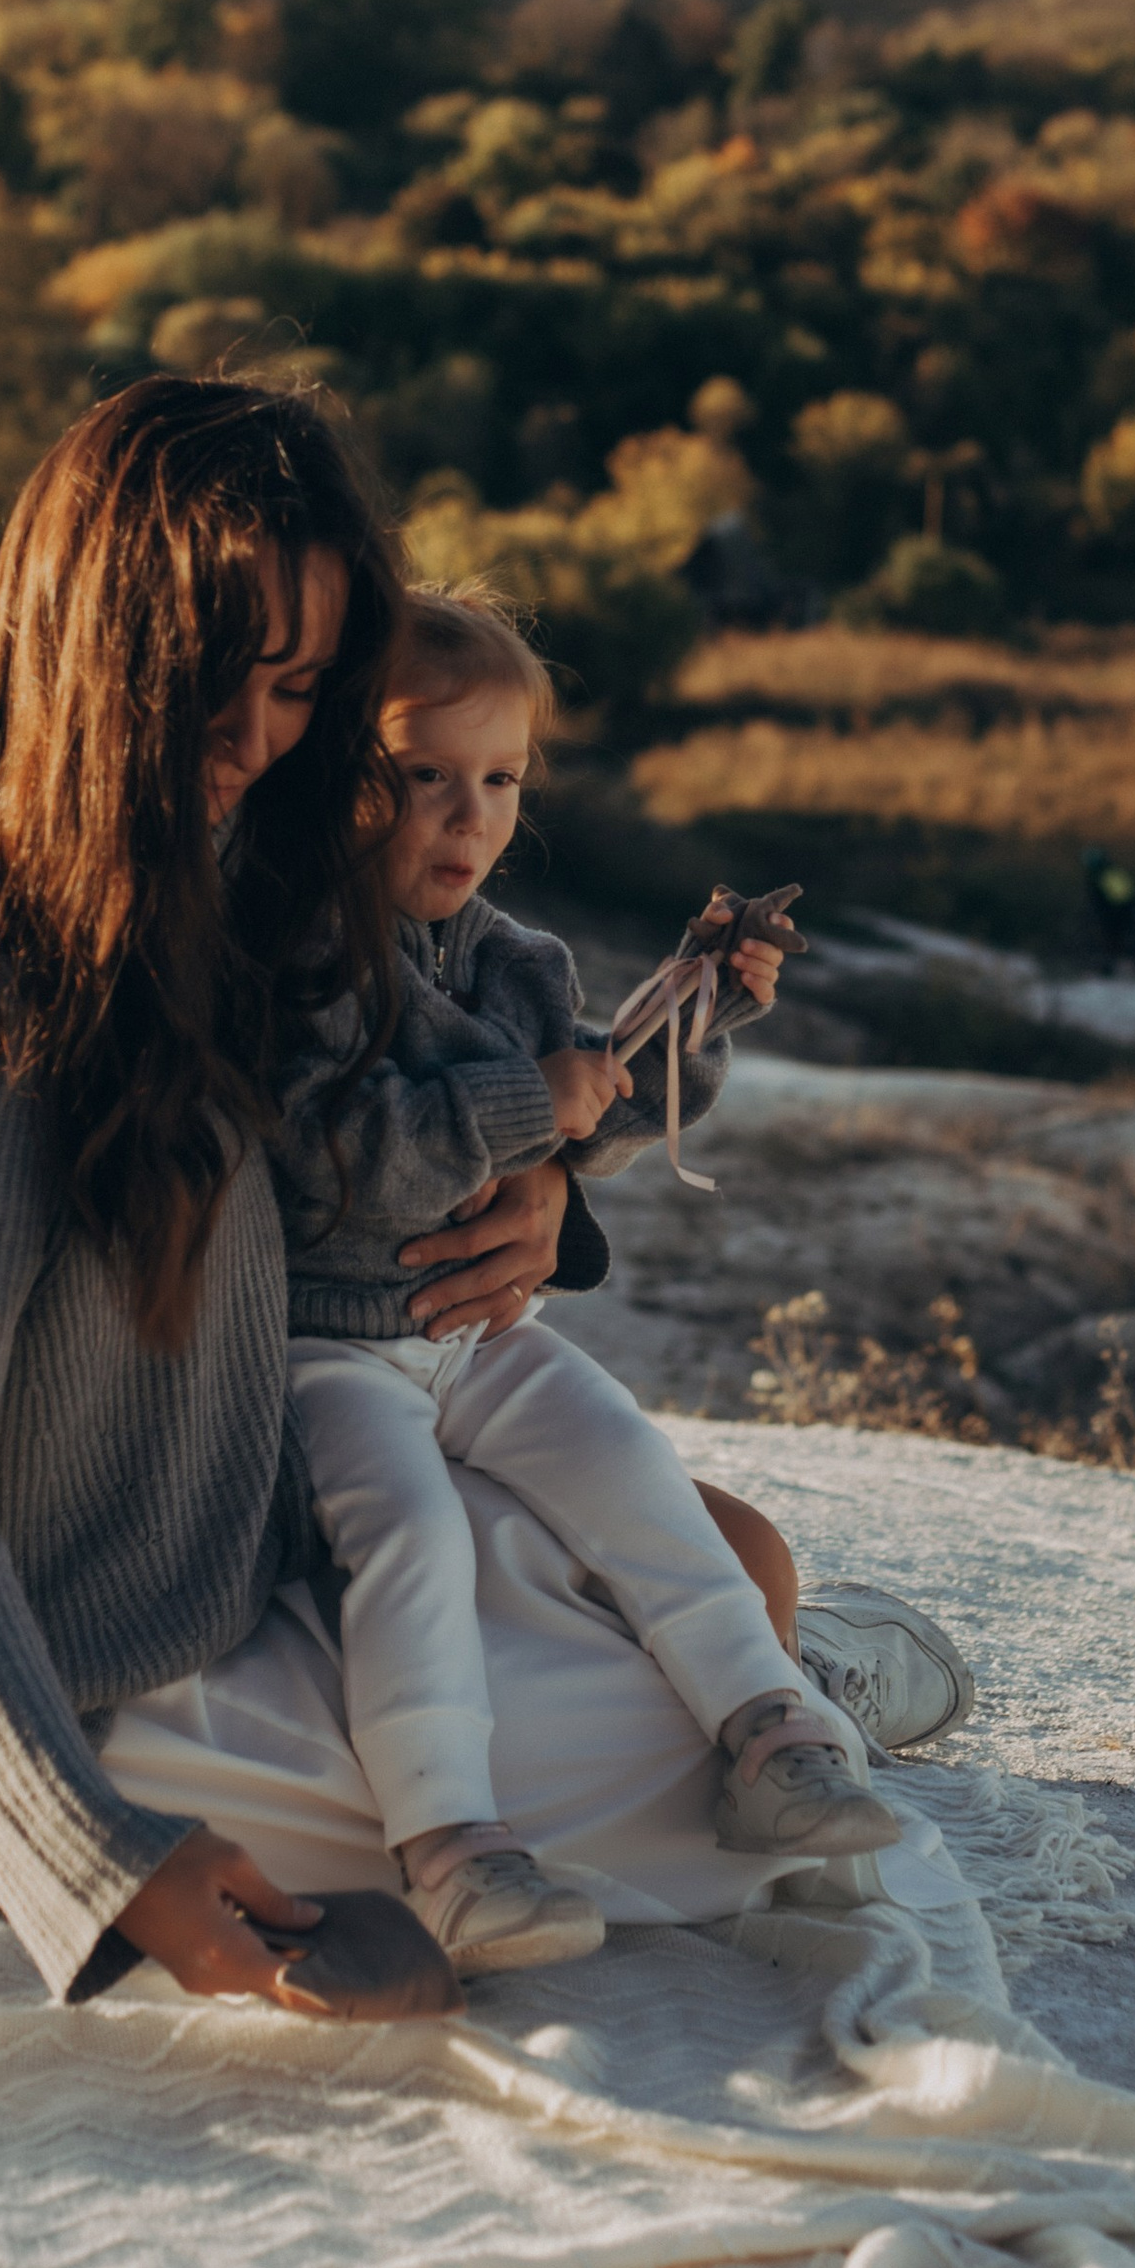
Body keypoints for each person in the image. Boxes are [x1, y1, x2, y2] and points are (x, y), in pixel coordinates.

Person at [0, 377, 944, 2021]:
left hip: (232, 1515)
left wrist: (552, 1189)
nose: (256, 736)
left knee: (730, 1553)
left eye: (297, 689)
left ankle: (788, 1668)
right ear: (90, 649)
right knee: (687, 1742)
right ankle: (803, 1680)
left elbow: (334, 1147)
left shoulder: (202, 857)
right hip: (77, 1675)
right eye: (216, 681)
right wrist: (100, 1859)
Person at [272, 589, 907, 1974]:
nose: (468, 818)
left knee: (627, 1460)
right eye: (423, 777)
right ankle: (448, 1842)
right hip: (329, 1346)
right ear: (338, 775)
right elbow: (335, 1157)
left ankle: (770, 1727)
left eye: (497, 781)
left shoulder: (516, 957)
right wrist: (523, 1101)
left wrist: (696, 1017)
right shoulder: (306, 955)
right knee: (411, 1537)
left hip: (480, 1334)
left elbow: (595, 1114)